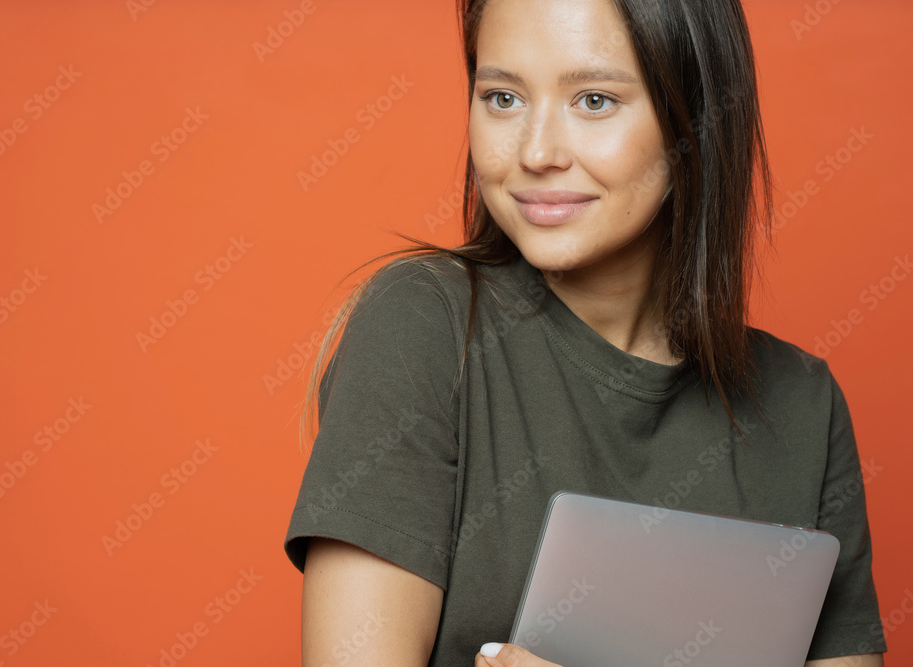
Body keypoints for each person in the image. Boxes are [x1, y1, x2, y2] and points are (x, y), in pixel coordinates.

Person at [282, 0, 888, 665]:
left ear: (697, 119)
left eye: (594, 100)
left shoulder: (802, 402)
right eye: (503, 97)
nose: (537, 151)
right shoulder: (424, 325)